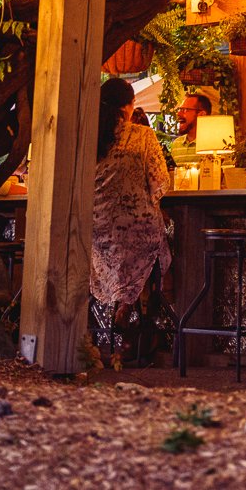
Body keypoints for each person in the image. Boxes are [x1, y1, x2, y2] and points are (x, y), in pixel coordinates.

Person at [91, 77, 172, 353]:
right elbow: (160, 183)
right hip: (139, 232)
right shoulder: (143, 135)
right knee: (158, 249)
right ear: (129, 106)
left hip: (96, 234)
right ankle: (139, 313)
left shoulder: (88, 136)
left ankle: (123, 306)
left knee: (120, 248)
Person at [166, 93, 211, 167]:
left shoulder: (216, 145)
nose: (178, 114)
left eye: (185, 110)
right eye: (180, 109)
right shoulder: (177, 144)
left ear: (202, 114)